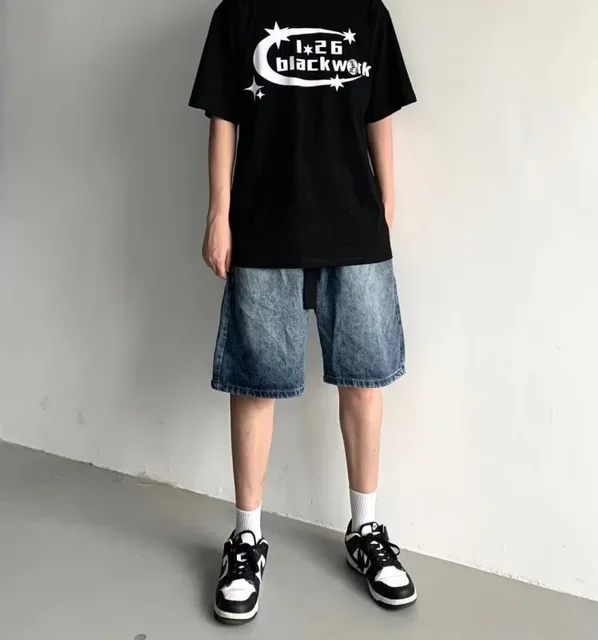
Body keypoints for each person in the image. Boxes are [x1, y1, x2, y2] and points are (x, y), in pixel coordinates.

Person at [189, 0, 417, 624]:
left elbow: (379, 114)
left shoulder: (366, 13)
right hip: (264, 225)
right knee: (256, 380)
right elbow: (224, 118)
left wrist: (386, 206)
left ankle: (365, 530)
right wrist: (218, 215)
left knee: (364, 377)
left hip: (354, 226)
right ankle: (246, 538)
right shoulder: (238, 13)